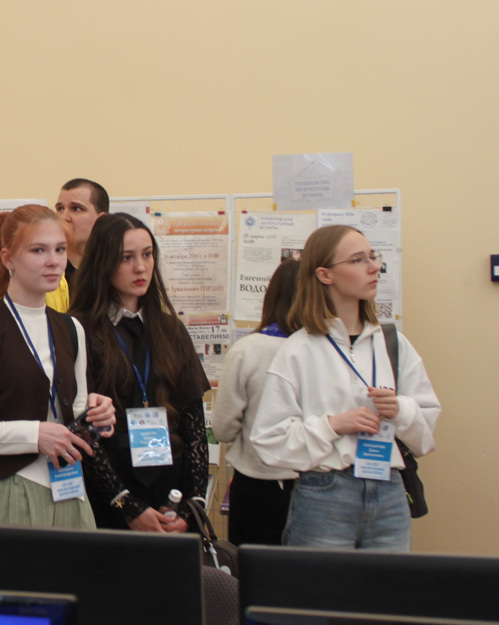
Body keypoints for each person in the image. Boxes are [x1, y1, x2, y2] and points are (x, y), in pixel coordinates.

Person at [250, 225, 440, 551]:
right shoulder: (298, 349)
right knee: (322, 585)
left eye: (373, 257)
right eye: (357, 260)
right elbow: (268, 441)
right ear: (325, 275)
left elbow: (426, 433)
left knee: (388, 585)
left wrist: (402, 410)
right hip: (325, 494)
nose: (374, 267)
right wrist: (333, 425)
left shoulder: (393, 343)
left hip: (390, 491)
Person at [0, 205, 116, 528]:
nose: (53, 261)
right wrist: (34, 435)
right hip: (9, 491)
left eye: (60, 250)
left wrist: (96, 413)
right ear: (8, 259)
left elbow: (72, 411)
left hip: (71, 491)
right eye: (38, 250)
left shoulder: (72, 329)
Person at [70, 212, 211, 532]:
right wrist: (126, 504)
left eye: (147, 255)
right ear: (103, 263)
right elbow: (80, 429)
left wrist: (193, 505)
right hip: (107, 494)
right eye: (127, 258)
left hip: (170, 489)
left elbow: (194, 426)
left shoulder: (170, 330)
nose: (141, 267)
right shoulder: (78, 329)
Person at [212, 258, 301, 545]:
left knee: (254, 568)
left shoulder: (247, 350)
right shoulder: (323, 350)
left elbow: (223, 428)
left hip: (257, 485)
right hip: (317, 485)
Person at [55, 178, 109, 290]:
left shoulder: (114, 268)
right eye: (60, 209)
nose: (64, 217)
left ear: (101, 219)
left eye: (76, 208)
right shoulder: (50, 269)